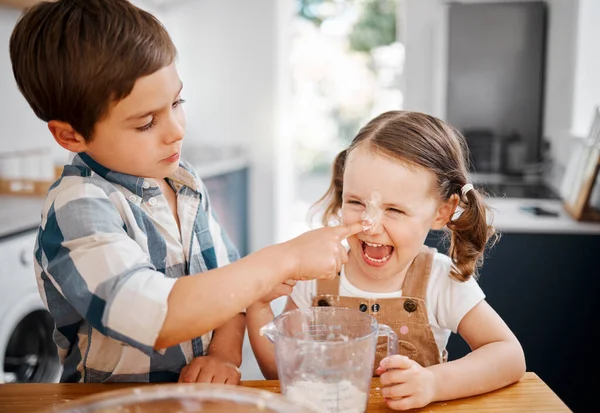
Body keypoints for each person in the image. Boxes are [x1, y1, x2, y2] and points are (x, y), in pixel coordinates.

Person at [10, 0, 362, 383]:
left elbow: (229, 288)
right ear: (70, 134)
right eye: (146, 122)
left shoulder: (185, 184)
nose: (176, 129)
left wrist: (223, 355)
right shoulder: (78, 207)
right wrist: (284, 258)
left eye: (177, 102)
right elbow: (155, 317)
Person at [247, 110, 526, 410]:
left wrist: (434, 383)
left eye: (394, 210)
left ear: (442, 212)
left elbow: (509, 355)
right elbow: (281, 374)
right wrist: (258, 306)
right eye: (356, 202)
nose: (370, 224)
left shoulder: (440, 281)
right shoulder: (317, 274)